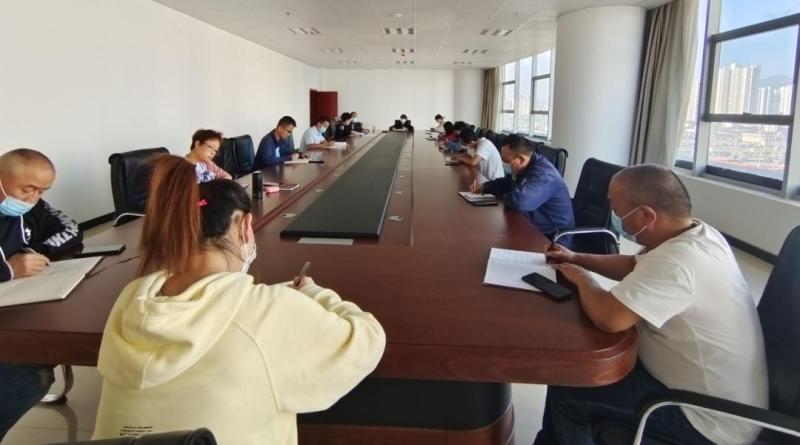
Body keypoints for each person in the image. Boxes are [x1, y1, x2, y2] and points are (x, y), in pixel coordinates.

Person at [93, 155, 386, 445]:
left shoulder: (132, 296)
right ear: (246, 227)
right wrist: (313, 292)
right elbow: (367, 340)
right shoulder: (268, 310)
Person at [535, 164, 767, 445]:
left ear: (646, 215)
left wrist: (583, 279)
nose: (615, 217)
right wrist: (575, 258)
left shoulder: (677, 263)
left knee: (569, 387)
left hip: (706, 420)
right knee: (577, 371)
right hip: (716, 399)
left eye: (617, 210)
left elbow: (609, 318)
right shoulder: (699, 234)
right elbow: (633, 265)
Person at [0, 149, 83, 441]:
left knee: (38, 362)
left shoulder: (24, 207)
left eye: (42, 191)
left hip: (14, 304)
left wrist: (32, 253)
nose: (33, 198)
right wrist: (8, 269)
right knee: (27, 378)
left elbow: (70, 229)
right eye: (27, 189)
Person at [471, 136, 574, 241]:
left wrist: (505, 197)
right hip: (531, 225)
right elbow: (507, 183)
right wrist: (484, 186)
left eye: (505, 160)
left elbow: (518, 202)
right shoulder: (525, 166)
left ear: (521, 159)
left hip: (552, 238)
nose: (502, 162)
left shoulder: (544, 175)